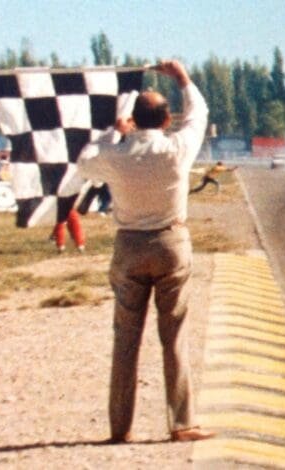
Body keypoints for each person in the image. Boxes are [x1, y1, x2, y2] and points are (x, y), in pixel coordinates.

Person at [76, 59, 215, 444]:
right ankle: (182, 422)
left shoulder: (119, 156)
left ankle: (120, 427)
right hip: (171, 242)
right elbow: (199, 114)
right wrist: (184, 78)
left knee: (125, 338)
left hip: (129, 244)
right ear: (166, 120)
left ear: (134, 120)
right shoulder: (176, 150)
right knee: (174, 336)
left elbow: (85, 164)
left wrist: (112, 135)